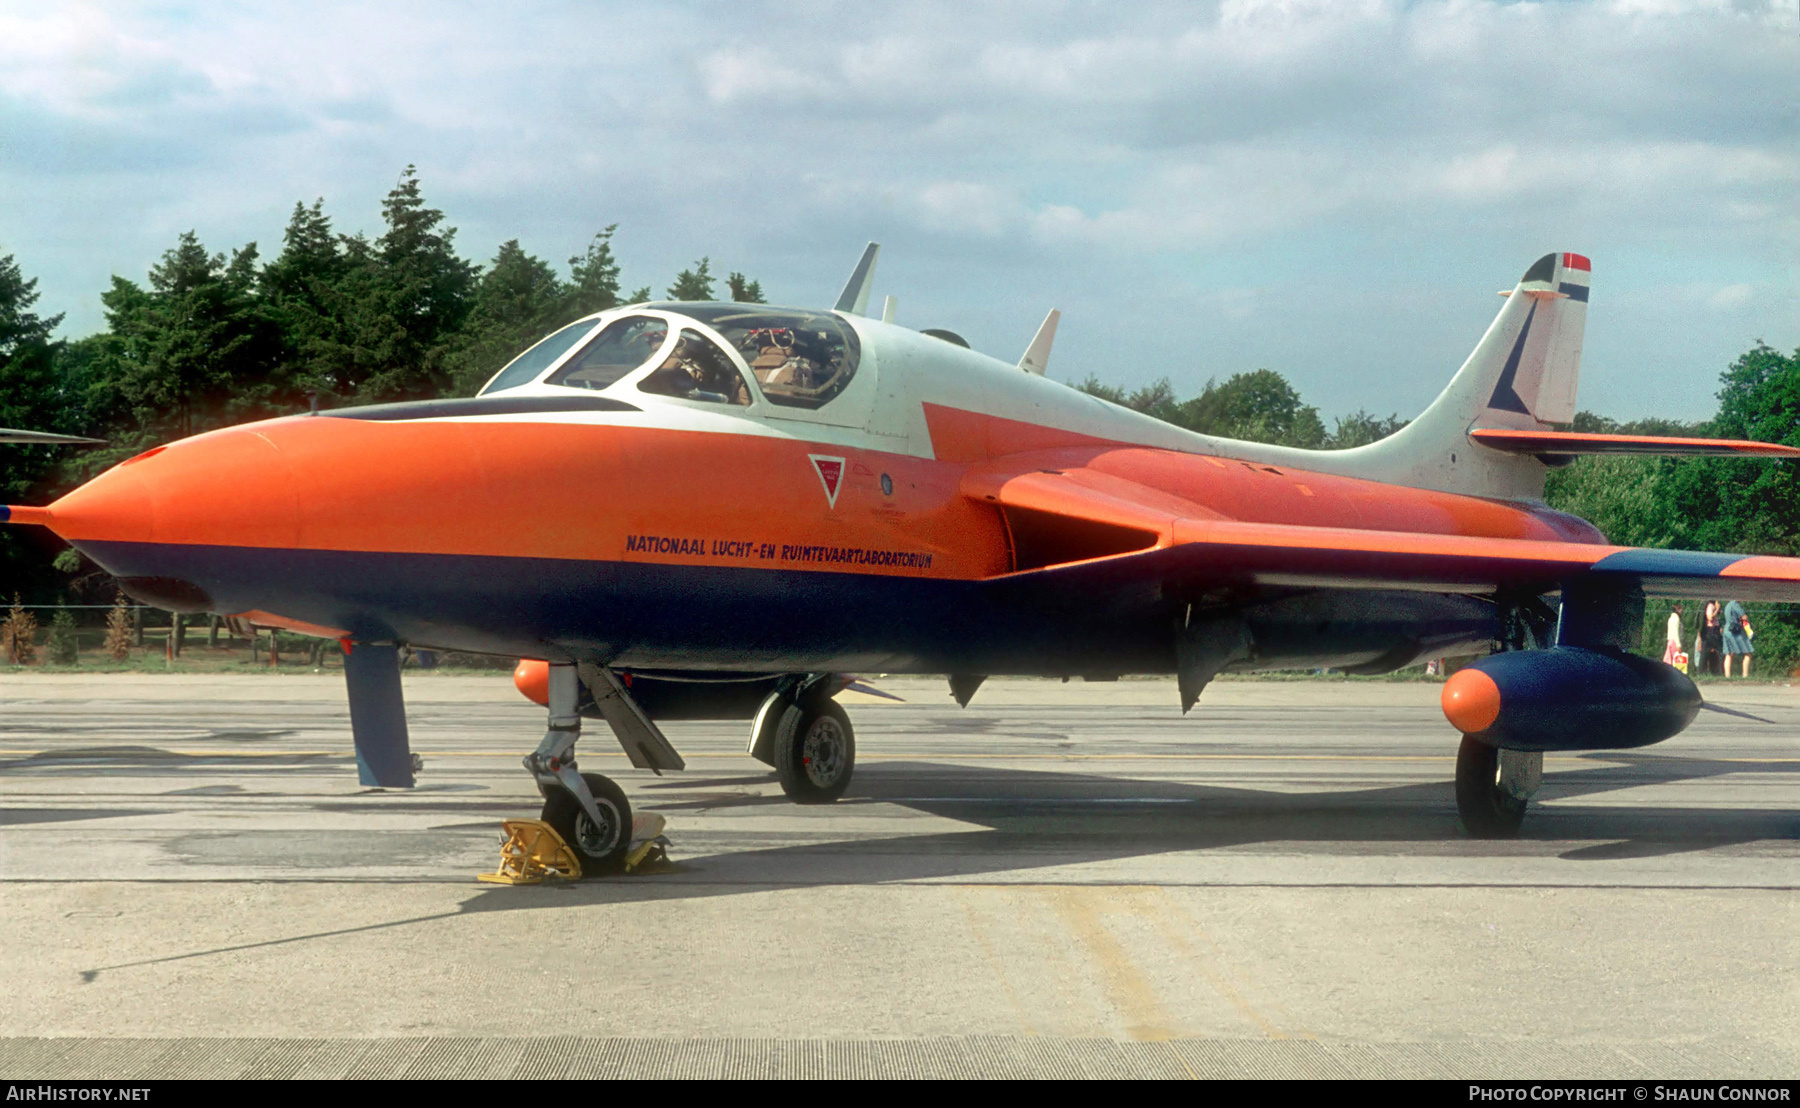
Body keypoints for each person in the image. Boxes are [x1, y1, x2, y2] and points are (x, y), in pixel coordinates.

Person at [1722, 598, 1754, 678]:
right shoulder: (1735, 604)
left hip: (1727, 629)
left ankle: (1727, 676)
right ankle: (1745, 675)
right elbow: (1744, 617)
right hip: (1734, 630)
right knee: (1748, 652)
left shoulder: (1728, 605)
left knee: (1729, 654)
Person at [1698, 600, 1724, 677]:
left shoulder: (1712, 606)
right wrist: (1717, 609)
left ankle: (1713, 672)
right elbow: (1710, 617)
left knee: (1708, 652)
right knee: (1719, 651)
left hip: (1714, 631)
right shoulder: (1710, 606)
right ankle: (1718, 672)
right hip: (1711, 631)